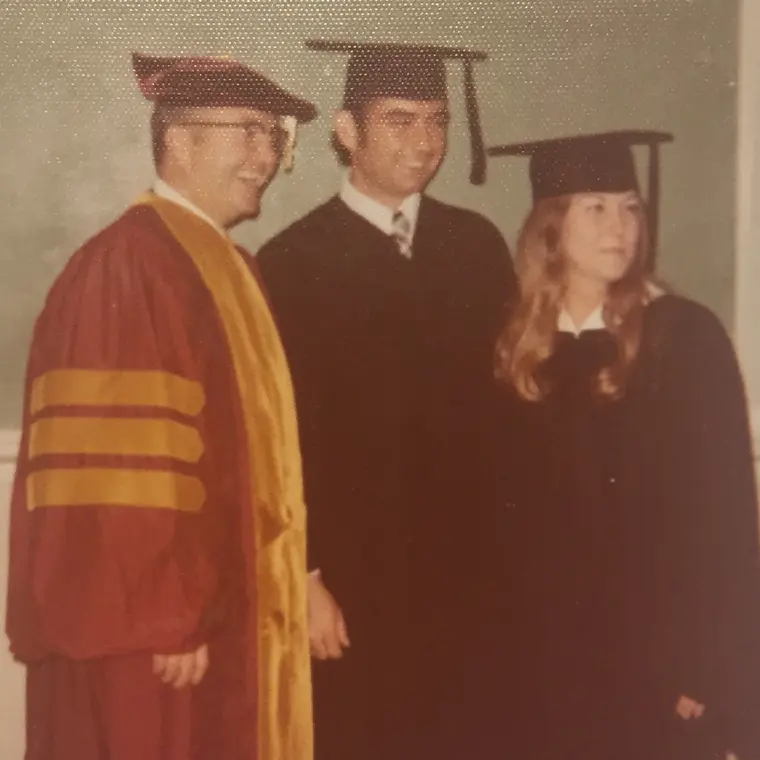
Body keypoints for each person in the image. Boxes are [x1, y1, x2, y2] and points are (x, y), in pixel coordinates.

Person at [5, 51, 317, 760]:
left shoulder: (230, 265)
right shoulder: (131, 264)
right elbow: (113, 467)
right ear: (178, 140)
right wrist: (161, 615)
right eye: (248, 132)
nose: (266, 154)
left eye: (274, 136)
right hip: (156, 636)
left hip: (216, 614)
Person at [256, 40, 517, 760]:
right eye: (399, 120)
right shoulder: (291, 262)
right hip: (354, 577)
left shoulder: (476, 246)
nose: (425, 141)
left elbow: (508, 421)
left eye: (436, 120)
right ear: (347, 131)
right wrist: (306, 577)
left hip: (468, 573)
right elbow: (281, 439)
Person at [474, 131, 760, 760]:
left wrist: (703, 665)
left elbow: (725, 516)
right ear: (551, 227)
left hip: (652, 660)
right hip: (544, 655)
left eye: (631, 206)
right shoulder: (517, 348)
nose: (621, 227)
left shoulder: (681, 337)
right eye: (596, 207)